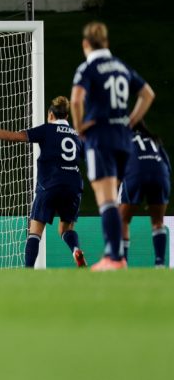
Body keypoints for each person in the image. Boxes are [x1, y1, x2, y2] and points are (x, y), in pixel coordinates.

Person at [71, 21, 155, 271]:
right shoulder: (120, 65)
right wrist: (130, 121)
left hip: (101, 138)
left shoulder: (88, 67)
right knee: (115, 198)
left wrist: (79, 127)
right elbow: (148, 94)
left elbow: (76, 100)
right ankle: (117, 256)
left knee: (105, 199)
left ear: (86, 44)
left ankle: (113, 257)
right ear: (106, 42)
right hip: (123, 139)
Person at [0, 96, 87, 268]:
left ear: (50, 114)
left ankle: (28, 270)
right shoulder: (76, 135)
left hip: (50, 184)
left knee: (35, 232)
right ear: (67, 116)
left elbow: (14, 137)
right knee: (66, 229)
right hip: (73, 185)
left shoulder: (46, 130)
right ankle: (75, 249)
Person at [119, 122, 170, 267]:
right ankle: (160, 263)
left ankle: (123, 263)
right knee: (158, 221)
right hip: (160, 174)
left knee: (123, 219)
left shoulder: (123, 138)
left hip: (136, 173)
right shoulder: (154, 140)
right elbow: (167, 166)